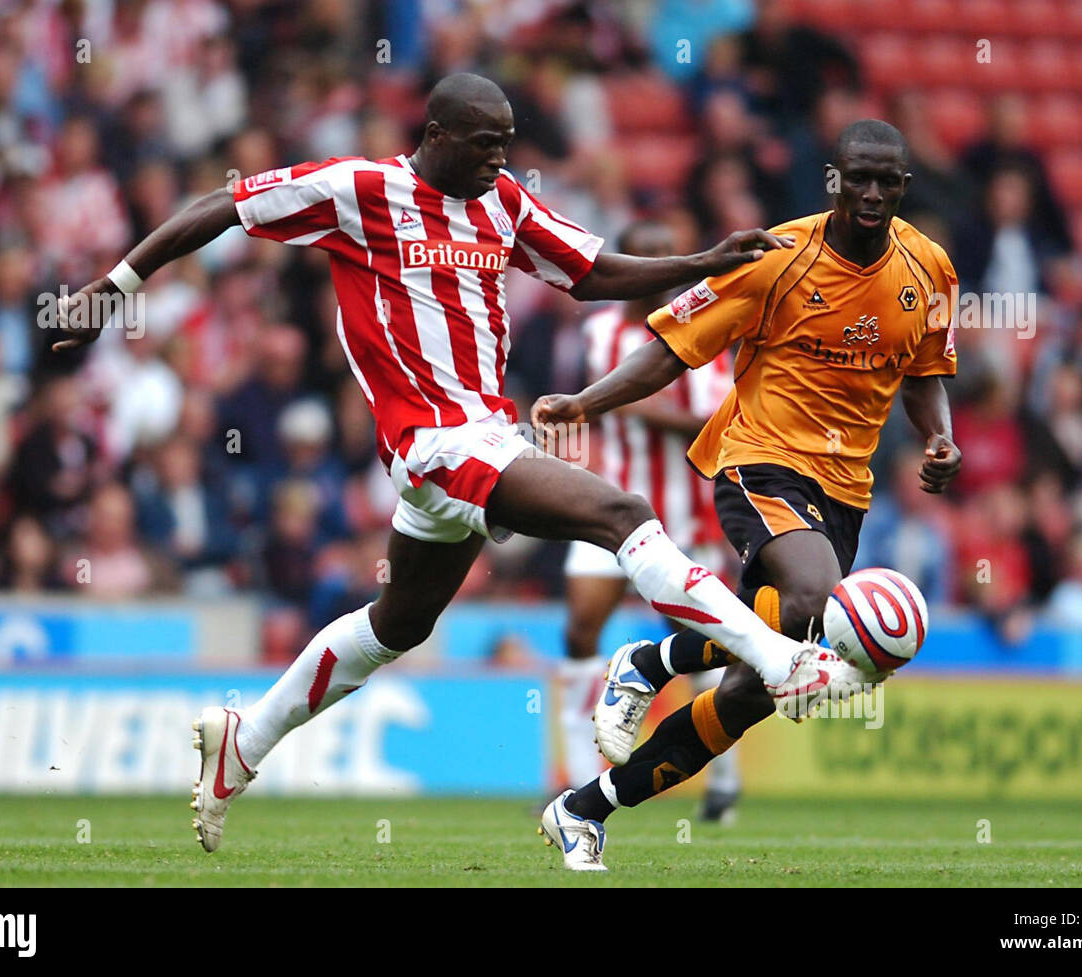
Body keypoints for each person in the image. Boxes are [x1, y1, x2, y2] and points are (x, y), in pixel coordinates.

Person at [53, 73, 861, 863]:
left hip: (479, 435)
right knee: (620, 515)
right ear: (435, 134)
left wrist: (704, 262)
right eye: (483, 144)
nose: (497, 160)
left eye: (505, 146)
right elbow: (221, 206)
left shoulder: (502, 201)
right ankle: (774, 656)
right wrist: (113, 287)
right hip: (434, 441)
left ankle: (244, 738)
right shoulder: (358, 189)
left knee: (398, 624)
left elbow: (590, 274)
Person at [532, 119, 962, 868]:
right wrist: (584, 404)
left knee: (749, 693)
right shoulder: (776, 259)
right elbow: (672, 348)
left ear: (903, 187)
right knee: (815, 605)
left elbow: (925, 372)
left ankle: (586, 804)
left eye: (885, 181)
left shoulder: (930, 270)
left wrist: (938, 436)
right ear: (833, 177)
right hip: (759, 462)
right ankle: (659, 660)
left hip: (845, 492)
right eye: (855, 177)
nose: (869, 192)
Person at [559, 217, 741, 821]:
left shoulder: (702, 328)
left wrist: (639, 403)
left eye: (669, 252)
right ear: (631, 263)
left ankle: (723, 783)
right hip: (607, 506)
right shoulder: (600, 333)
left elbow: (717, 423)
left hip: (685, 516)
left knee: (705, 644)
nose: (663, 265)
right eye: (651, 255)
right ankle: (575, 775)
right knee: (581, 629)